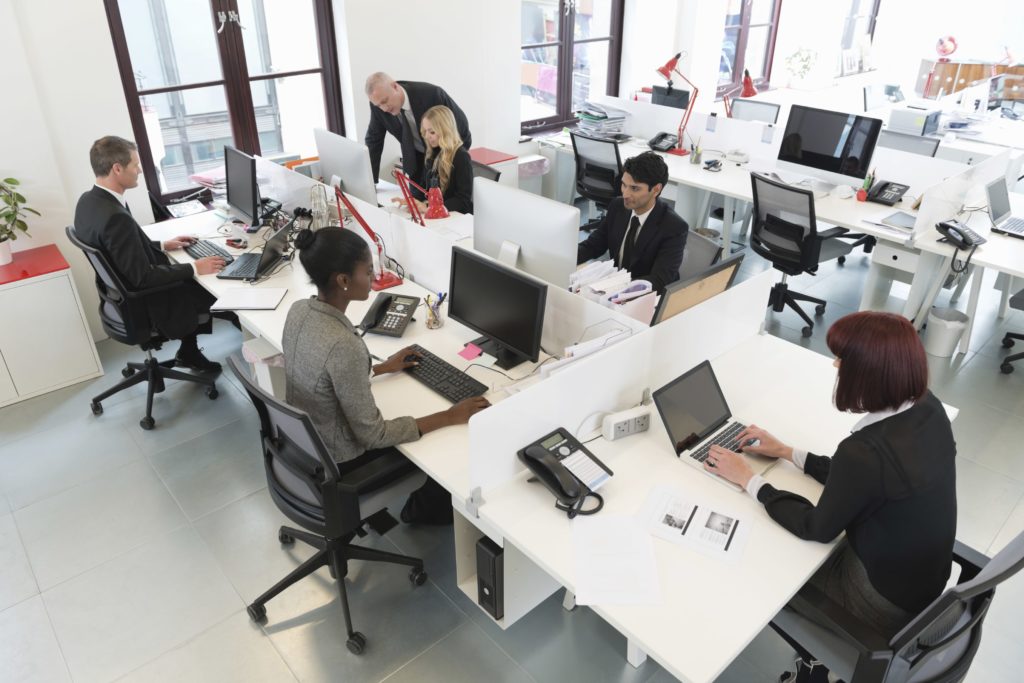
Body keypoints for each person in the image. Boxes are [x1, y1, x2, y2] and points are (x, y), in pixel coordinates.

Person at [705, 312, 956, 671]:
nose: (836, 364)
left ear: (868, 374)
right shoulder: (928, 408)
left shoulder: (865, 453)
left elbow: (817, 528)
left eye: (843, 359)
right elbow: (861, 479)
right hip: (922, 583)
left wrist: (749, 480)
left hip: (878, 603)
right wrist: (787, 452)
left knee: (762, 556)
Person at [282, 226, 490, 522]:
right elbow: (375, 435)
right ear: (343, 280)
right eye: (368, 272)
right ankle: (419, 512)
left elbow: (325, 374)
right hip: (344, 462)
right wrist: (450, 415)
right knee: (443, 452)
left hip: (308, 447)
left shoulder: (300, 310)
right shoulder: (344, 345)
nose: (374, 278)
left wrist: (381, 367)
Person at [74, 135, 227, 372]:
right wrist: (196, 267)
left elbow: (118, 251)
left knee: (192, 277)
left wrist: (163, 245)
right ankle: (203, 354)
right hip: (146, 300)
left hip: (119, 297)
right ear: (117, 168)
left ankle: (189, 352)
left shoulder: (90, 201)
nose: (139, 171)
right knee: (216, 291)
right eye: (135, 165)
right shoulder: (115, 216)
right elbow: (143, 277)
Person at [576, 151, 688, 294]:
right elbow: (594, 245)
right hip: (612, 291)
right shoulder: (617, 206)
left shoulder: (674, 227)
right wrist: (565, 257)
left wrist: (613, 287)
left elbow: (659, 280)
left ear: (656, 189)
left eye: (635, 188)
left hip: (646, 297)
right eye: (624, 185)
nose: (625, 194)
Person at [364, 72, 472, 186]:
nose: (384, 108)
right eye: (379, 105)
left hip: (444, 158)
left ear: (395, 87)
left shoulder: (432, 95)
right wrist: (370, 184)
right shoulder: (378, 107)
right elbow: (374, 141)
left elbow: (462, 129)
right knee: (415, 201)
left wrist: (452, 163)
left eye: (385, 101)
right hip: (415, 162)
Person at [391, 105, 474, 215]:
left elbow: (463, 201)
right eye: (425, 131)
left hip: (455, 217)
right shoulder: (433, 152)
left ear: (445, 130)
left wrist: (428, 206)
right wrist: (412, 201)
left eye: (432, 132)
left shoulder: (461, 156)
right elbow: (423, 188)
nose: (426, 136)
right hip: (437, 215)